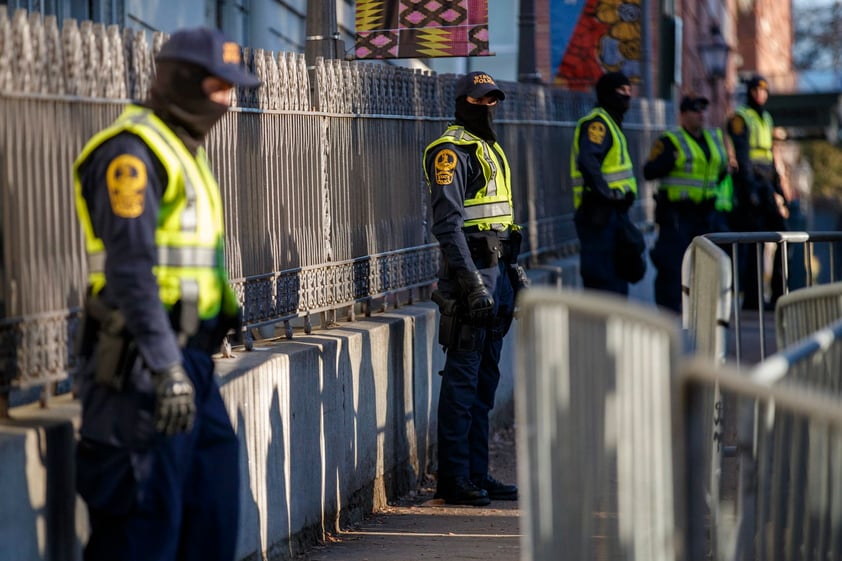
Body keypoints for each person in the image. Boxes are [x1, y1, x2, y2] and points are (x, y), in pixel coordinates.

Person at [72, 27, 261, 561]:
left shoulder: (184, 151)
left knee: (210, 521)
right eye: (218, 87)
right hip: (140, 372)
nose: (227, 101)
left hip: (189, 368)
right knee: (142, 533)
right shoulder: (129, 154)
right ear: (182, 83)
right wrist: (164, 365)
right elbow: (130, 270)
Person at [423, 71, 527, 506]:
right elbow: (448, 226)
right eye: (480, 101)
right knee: (463, 381)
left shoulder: (488, 147)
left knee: (486, 380)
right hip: (472, 274)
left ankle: (478, 473)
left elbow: (498, 217)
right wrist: (472, 285)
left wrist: (513, 270)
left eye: (493, 101)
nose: (488, 108)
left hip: (498, 272)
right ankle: (454, 478)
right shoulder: (451, 150)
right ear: (463, 102)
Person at [644, 94, 730, 313]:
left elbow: (719, 172)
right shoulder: (670, 141)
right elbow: (649, 171)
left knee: (705, 267)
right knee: (672, 268)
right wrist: (669, 161)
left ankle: (698, 316)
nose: (701, 114)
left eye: (703, 110)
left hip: (705, 215)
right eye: (695, 110)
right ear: (683, 115)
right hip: (676, 215)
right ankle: (669, 317)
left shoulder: (714, 139)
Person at [571, 71, 644, 295]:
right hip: (599, 213)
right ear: (607, 94)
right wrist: (607, 194)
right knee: (603, 281)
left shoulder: (611, 123)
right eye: (621, 91)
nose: (627, 96)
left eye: (629, 92)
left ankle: (614, 327)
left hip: (612, 213)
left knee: (617, 274)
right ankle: (603, 329)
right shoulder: (598, 124)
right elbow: (588, 160)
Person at [726, 74, 788, 309]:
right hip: (750, 185)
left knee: (783, 237)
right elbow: (742, 155)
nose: (760, 94)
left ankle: (778, 296)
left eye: (764, 90)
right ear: (750, 92)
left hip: (766, 184)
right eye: (756, 90)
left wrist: (779, 189)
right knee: (754, 245)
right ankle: (753, 300)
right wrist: (750, 189)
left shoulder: (766, 118)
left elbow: (770, 156)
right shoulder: (740, 118)